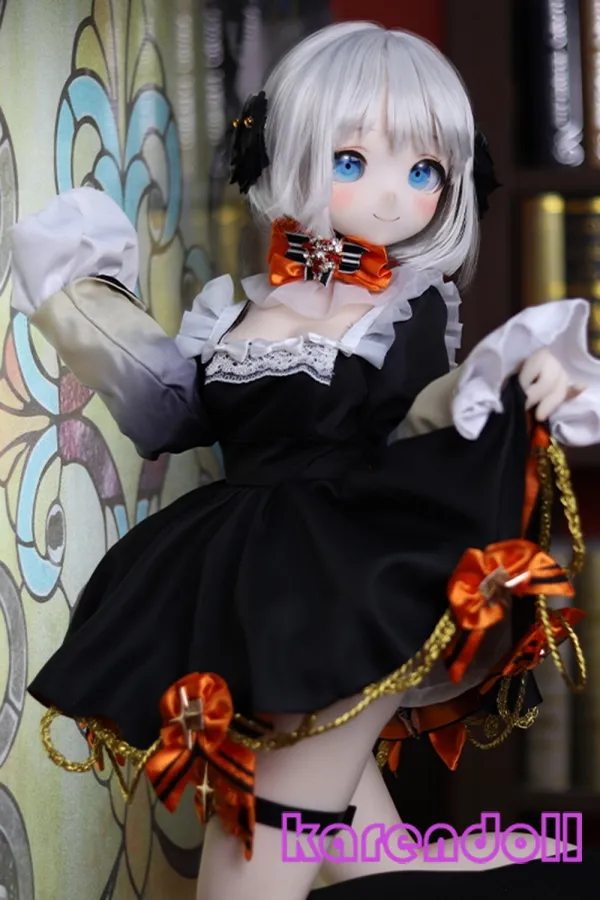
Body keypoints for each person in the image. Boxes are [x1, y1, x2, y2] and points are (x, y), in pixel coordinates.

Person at [10, 21, 600, 900]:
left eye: (425, 171)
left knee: (257, 846)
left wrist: (516, 371)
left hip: (344, 583)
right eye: (353, 160)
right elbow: (171, 410)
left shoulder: (408, 308)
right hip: (236, 581)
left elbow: (427, 411)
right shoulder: (232, 307)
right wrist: (80, 301)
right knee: (371, 865)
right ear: (285, 153)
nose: (393, 196)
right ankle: (544, 862)